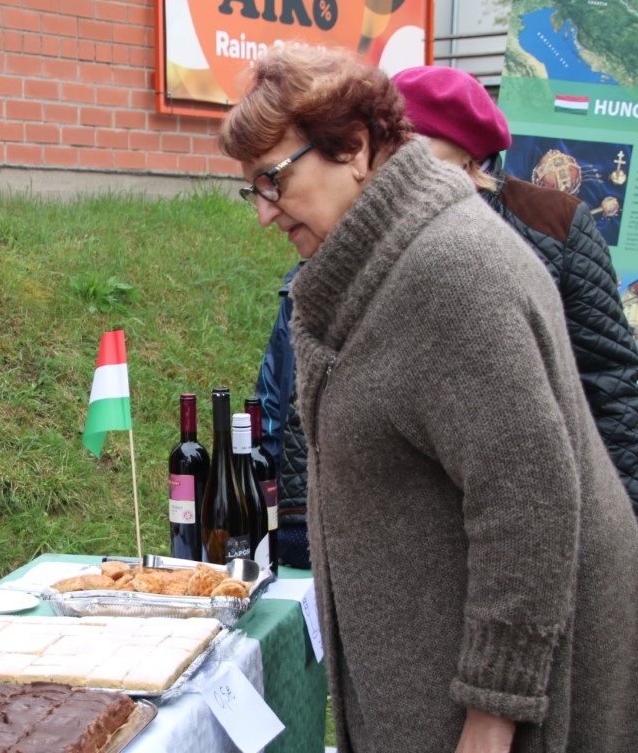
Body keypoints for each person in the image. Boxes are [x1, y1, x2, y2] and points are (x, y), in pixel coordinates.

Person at [218, 44, 638, 752]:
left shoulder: (450, 271)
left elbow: (528, 499)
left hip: (498, 705)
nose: (263, 212)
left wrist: (492, 714)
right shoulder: (381, 260)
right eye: (250, 188)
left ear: (352, 148)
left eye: (272, 180)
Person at [393, 64, 638, 519]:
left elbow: (608, 377)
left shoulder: (556, 221)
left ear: (462, 149)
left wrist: (623, 515)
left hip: (539, 503)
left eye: (407, 146)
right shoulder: (375, 222)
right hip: (416, 513)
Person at [254, 261, 310, 568]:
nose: (267, 218)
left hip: (367, 529)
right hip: (294, 523)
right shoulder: (295, 290)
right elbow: (269, 404)